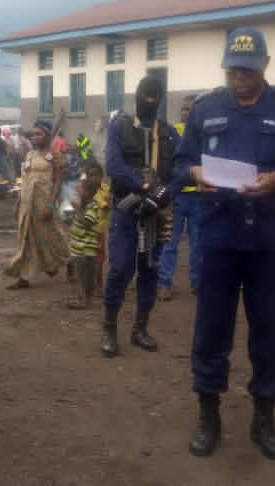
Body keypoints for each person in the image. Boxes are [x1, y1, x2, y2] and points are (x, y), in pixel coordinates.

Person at [178, 27, 275, 459]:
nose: (239, 76)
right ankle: (209, 415)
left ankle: (264, 417)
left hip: (267, 241)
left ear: (263, 65)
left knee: (268, 332)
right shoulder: (206, 108)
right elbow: (181, 162)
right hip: (219, 239)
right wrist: (195, 175)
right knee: (210, 330)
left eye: (247, 68)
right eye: (232, 69)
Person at [101, 76, 181, 358]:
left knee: (150, 269)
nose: (149, 100)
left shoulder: (170, 134)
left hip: (157, 214)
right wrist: (144, 186)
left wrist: (165, 193)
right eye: (145, 94)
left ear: (160, 98)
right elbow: (113, 165)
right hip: (126, 209)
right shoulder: (119, 128)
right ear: (136, 95)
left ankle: (140, 329)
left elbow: (182, 169)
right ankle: (109, 329)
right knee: (121, 268)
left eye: (154, 96)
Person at [4, 120, 69, 288]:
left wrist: (51, 205)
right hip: (27, 205)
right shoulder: (30, 155)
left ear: (48, 136)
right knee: (27, 238)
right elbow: (26, 180)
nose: (34, 137)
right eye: (32, 134)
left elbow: (58, 182)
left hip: (46, 204)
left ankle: (70, 262)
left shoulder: (55, 156)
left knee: (54, 236)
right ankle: (24, 277)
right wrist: (18, 202)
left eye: (38, 134)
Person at [158, 94, 201, 301]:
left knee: (198, 243)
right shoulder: (172, 132)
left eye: (190, 108)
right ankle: (165, 283)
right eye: (184, 108)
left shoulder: (205, 132)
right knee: (170, 242)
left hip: (200, 198)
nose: (186, 112)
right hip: (176, 197)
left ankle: (197, 282)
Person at [67, 166, 106, 310]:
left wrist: (77, 210)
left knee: (85, 276)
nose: (78, 191)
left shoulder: (92, 207)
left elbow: (88, 223)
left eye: (80, 190)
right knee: (81, 275)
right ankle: (83, 298)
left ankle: (85, 299)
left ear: (88, 193)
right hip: (79, 249)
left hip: (85, 250)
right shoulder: (86, 205)